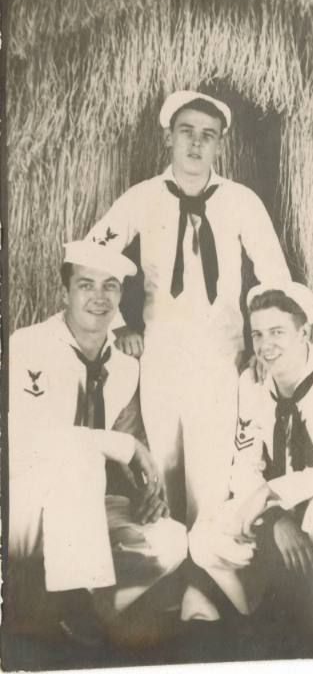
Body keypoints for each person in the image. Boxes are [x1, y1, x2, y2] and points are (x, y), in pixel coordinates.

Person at [86, 90, 291, 526]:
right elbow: (92, 254)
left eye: (208, 136)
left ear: (219, 144)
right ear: (169, 138)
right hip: (161, 357)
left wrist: (263, 344)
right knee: (161, 470)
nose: (196, 144)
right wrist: (120, 324)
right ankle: (171, 582)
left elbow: (275, 277)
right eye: (187, 133)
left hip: (220, 358)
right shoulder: (142, 198)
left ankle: (205, 580)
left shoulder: (242, 202)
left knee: (211, 481)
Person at [186, 282, 313, 651]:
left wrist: (270, 493)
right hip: (278, 506)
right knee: (203, 538)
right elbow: (244, 463)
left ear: (303, 332)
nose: (265, 345)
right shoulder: (252, 381)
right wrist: (276, 518)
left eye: (277, 332)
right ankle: (253, 610)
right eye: (258, 334)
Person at [8, 241, 187, 643]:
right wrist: (124, 448)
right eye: (86, 285)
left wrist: (148, 491)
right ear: (65, 291)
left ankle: (73, 601)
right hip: (23, 504)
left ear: (121, 296)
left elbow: (128, 439)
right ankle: (82, 607)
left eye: (111, 286)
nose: (99, 297)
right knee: (80, 458)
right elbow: (31, 439)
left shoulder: (123, 366)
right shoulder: (27, 344)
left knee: (172, 538)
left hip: (84, 512)